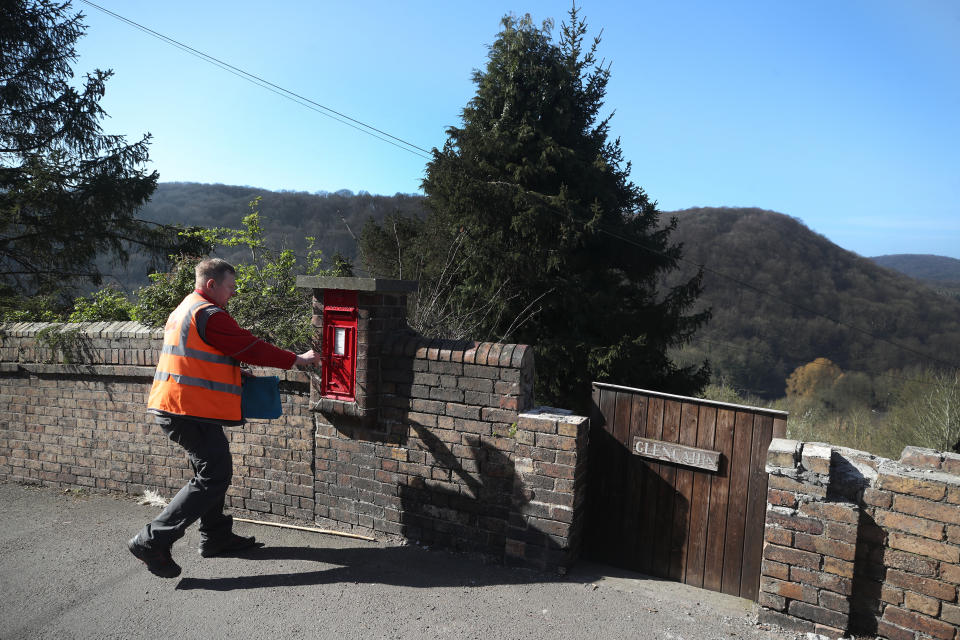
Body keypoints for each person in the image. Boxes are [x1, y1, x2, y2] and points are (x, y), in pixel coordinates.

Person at [128, 258, 321, 578]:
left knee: (211, 471)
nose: (233, 293)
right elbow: (249, 346)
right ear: (211, 285)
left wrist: (230, 369)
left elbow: (196, 355)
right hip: (187, 409)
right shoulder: (210, 313)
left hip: (181, 404)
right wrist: (297, 359)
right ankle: (153, 539)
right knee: (214, 474)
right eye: (230, 287)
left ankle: (215, 536)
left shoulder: (185, 308)